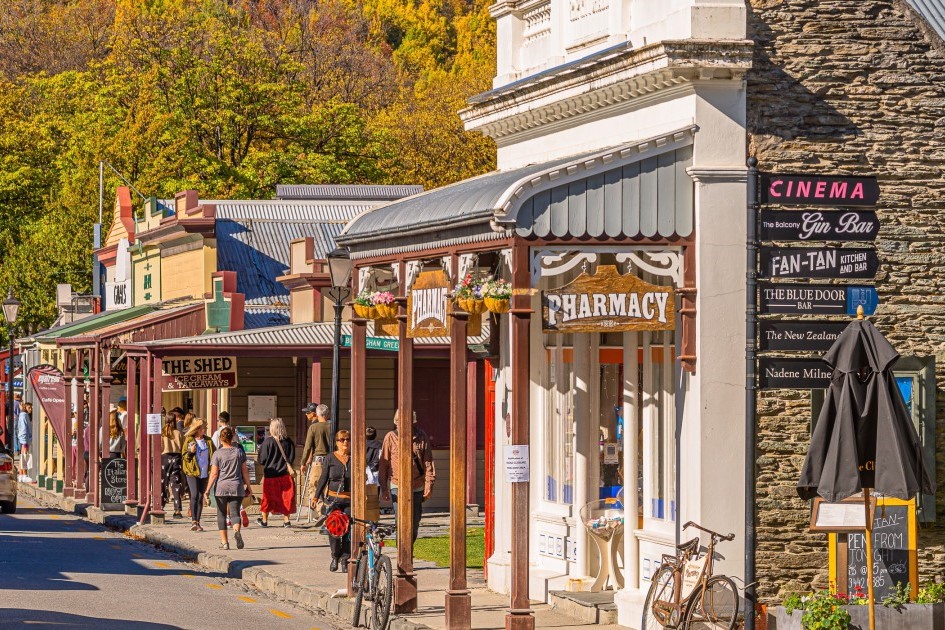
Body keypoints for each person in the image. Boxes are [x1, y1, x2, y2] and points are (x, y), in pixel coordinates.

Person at [379, 410, 435, 545]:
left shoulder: (421, 436)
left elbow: (428, 462)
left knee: (414, 523)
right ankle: (402, 555)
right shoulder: (390, 437)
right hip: (397, 485)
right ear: (396, 422)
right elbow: (384, 464)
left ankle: (408, 550)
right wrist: (384, 488)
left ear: (413, 421)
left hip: (417, 485)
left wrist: (429, 485)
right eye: (400, 421)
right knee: (401, 522)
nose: (402, 424)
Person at [205, 426, 252, 550]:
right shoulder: (239, 452)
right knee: (235, 512)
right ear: (232, 439)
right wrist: (248, 486)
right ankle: (236, 531)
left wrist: (207, 489)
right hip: (237, 486)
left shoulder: (217, 454)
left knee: (221, 513)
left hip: (221, 487)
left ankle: (225, 543)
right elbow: (245, 471)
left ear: (221, 439)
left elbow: (214, 473)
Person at [315, 429, 352, 572]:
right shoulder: (330, 458)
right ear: (336, 442)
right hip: (334, 500)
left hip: (349, 500)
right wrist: (316, 496)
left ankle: (345, 558)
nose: (345, 443)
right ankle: (335, 556)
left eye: (348, 439)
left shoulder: (354, 457)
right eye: (342, 440)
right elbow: (323, 478)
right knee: (334, 529)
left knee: (348, 529)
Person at [256, 418, 296, 528]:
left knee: (268, 498)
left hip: (270, 475)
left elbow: (261, 460)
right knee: (286, 498)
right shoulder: (289, 442)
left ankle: (264, 520)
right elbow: (291, 458)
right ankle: (286, 521)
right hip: (285, 476)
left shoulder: (267, 442)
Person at [181, 418, 215, 532]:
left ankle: (198, 522)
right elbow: (185, 457)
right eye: (203, 428)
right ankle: (193, 521)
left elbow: (214, 455)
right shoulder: (190, 440)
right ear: (197, 429)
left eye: (205, 427)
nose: (205, 429)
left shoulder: (208, 441)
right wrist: (191, 451)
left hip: (204, 472)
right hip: (192, 471)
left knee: (200, 497)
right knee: (194, 494)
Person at [299, 403, 331, 504]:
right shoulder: (333, 426)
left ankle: (320, 510)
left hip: (318, 460)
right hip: (331, 458)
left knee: (315, 485)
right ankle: (328, 509)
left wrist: (303, 463)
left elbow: (307, 447)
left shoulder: (313, 427)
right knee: (327, 485)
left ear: (317, 414)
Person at [161, 415, 185, 519]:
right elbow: (183, 446)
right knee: (175, 484)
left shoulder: (162, 433)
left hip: (164, 457)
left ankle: (161, 506)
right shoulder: (178, 433)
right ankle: (177, 509)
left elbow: (159, 447)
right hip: (176, 457)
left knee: (163, 483)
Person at [365, 426, 382, 522]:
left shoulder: (360, 445)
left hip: (364, 473)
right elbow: (380, 459)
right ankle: (374, 518)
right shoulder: (379, 446)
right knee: (375, 497)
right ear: (375, 435)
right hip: (375, 473)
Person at [16, 402, 32, 482]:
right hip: (25, 439)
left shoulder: (23, 415)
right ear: (25, 407)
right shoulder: (24, 415)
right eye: (29, 407)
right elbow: (23, 429)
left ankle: (21, 475)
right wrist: (24, 441)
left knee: (23, 456)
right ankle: (24, 475)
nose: (31, 409)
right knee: (25, 456)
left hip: (24, 439)